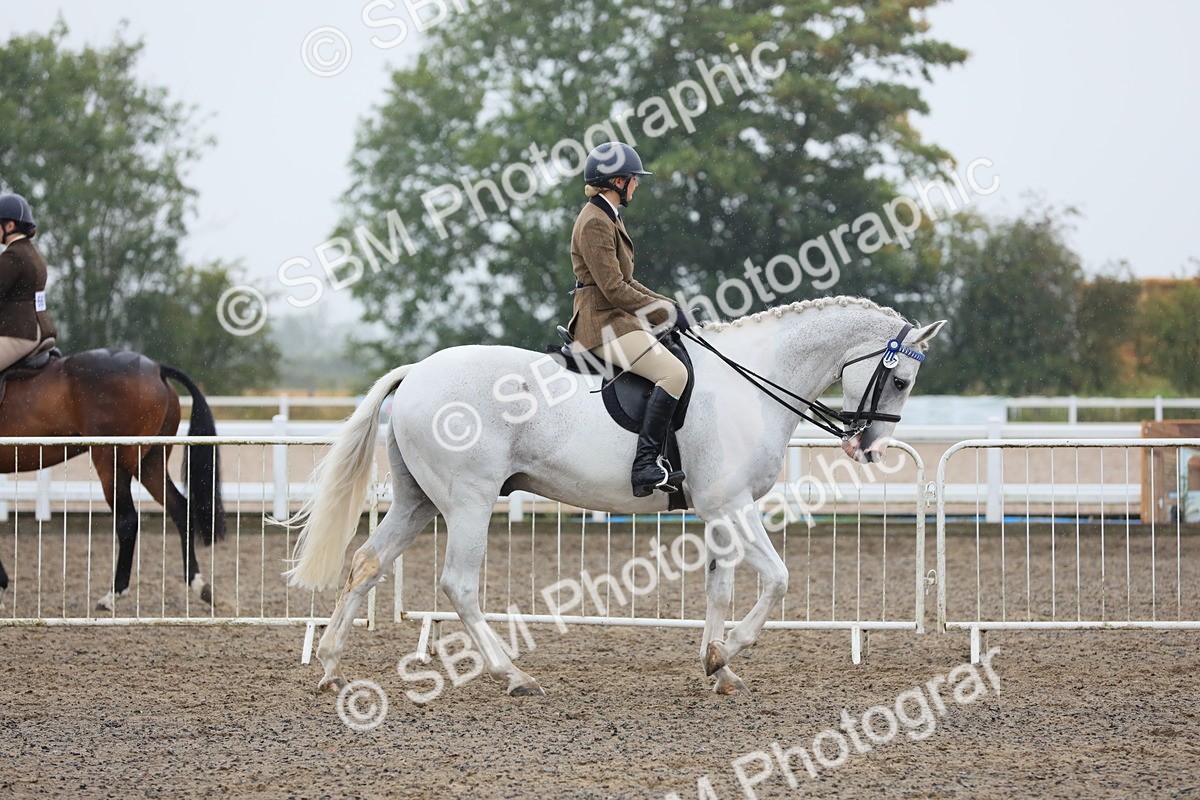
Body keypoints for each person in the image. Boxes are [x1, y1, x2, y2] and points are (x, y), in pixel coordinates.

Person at [567, 142, 691, 497]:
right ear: (617, 181)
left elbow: (629, 282)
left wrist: (671, 306)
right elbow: (613, 289)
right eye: (633, 179)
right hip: (602, 323)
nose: (637, 185)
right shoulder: (594, 222)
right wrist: (663, 313)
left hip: (616, 317)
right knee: (674, 372)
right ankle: (645, 465)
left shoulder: (608, 217)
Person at [0, 192, 57, 372]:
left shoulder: (13, 255)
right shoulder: (33, 253)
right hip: (39, 328)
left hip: (19, 332)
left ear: (10, 225)